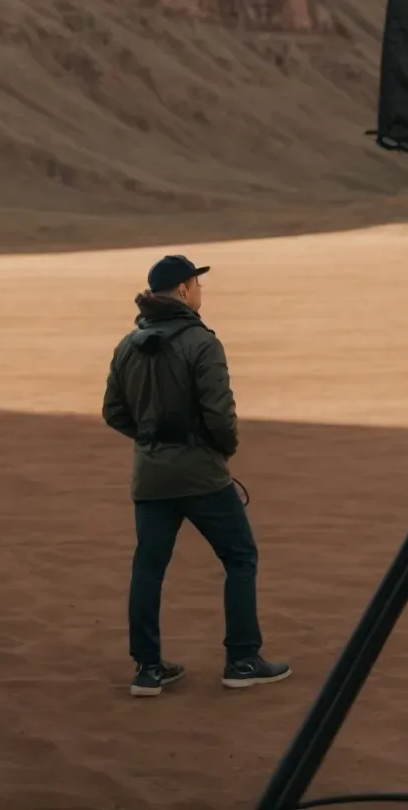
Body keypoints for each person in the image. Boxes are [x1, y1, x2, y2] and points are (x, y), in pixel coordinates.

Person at [102, 253, 290, 696]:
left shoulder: (128, 344)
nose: (201, 291)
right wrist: (221, 448)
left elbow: (113, 411)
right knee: (240, 556)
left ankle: (147, 669)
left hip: (150, 476)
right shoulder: (202, 343)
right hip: (201, 474)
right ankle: (242, 659)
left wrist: (151, 440)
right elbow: (220, 414)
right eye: (197, 284)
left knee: (148, 567)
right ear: (185, 291)